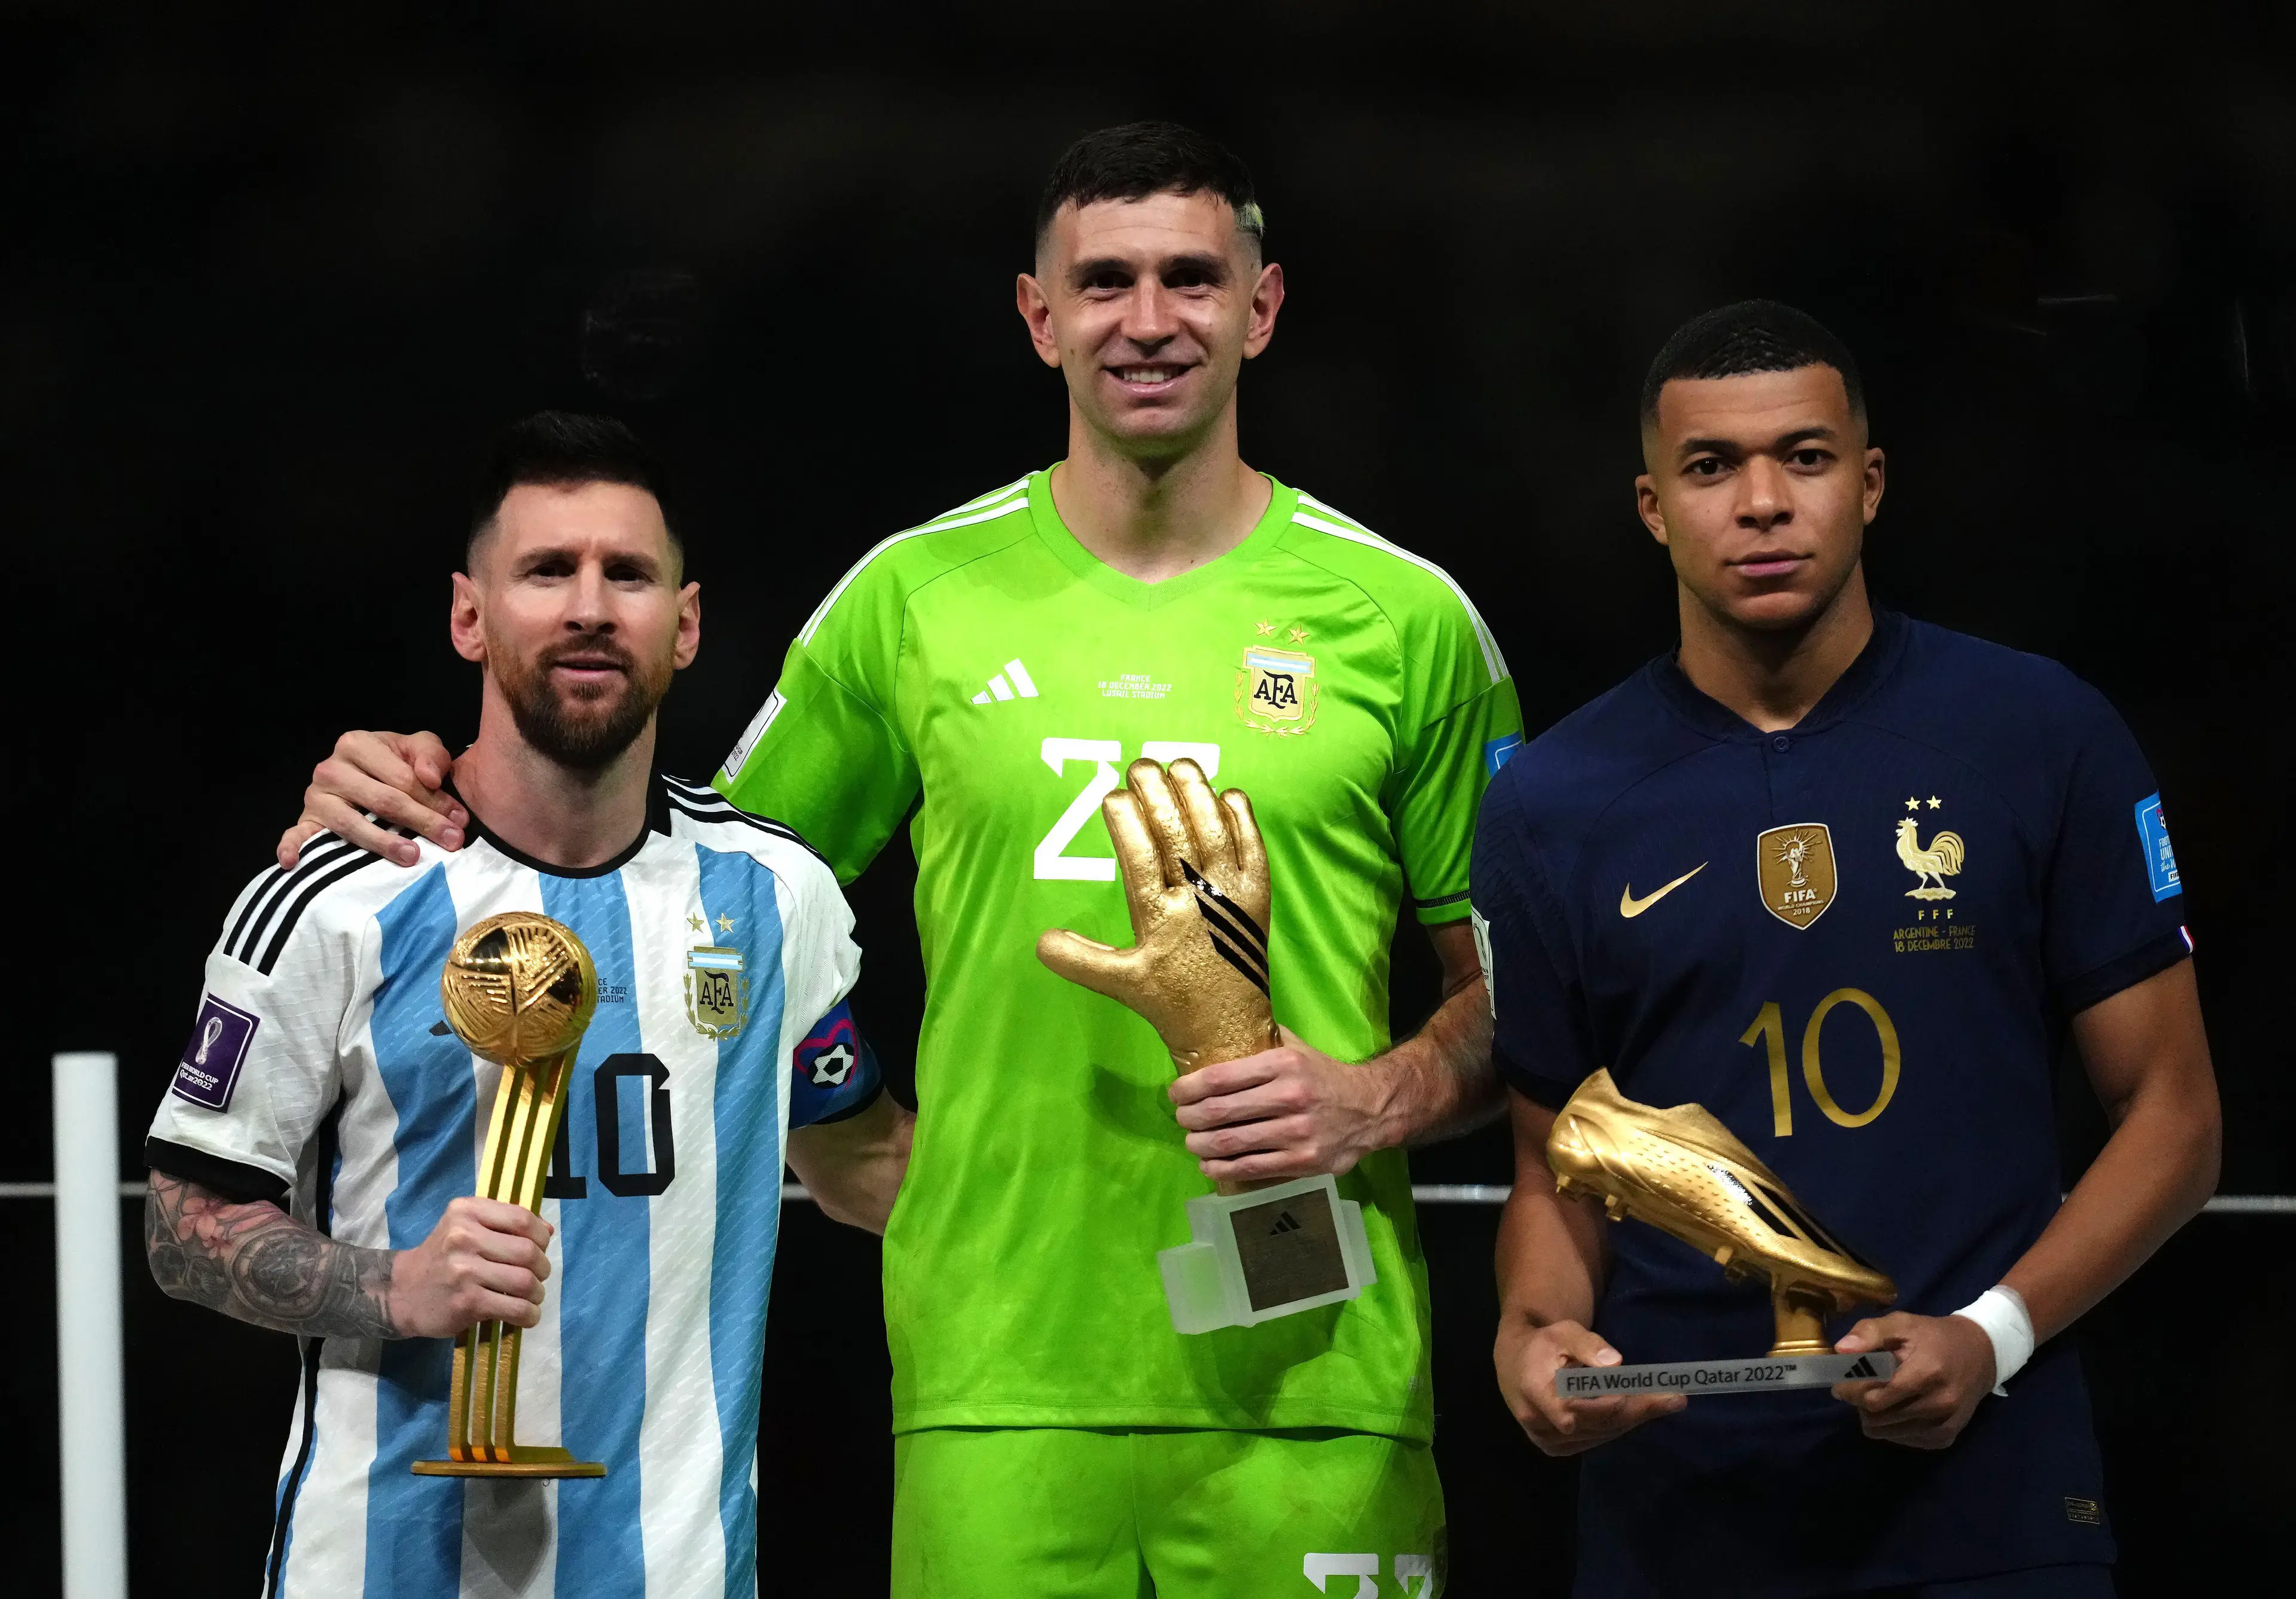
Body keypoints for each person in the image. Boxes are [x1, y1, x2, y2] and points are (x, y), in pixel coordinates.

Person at [277, 124, 1518, 1595]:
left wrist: (1370, 1094)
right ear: (1037, 316)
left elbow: (1524, 996)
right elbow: (692, 894)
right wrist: (427, 798)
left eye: (1191, 277)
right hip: (992, 1387)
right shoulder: (913, 601)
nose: (1148, 318)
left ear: (1261, 305)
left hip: (1323, 1378)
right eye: (1103, 280)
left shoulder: (1406, 619)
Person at [1473, 301, 2221, 1597]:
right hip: (1677, 1511)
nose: (1762, 501)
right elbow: (1555, 1165)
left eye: (1805, 457)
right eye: (1711, 467)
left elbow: (2175, 1115)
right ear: (1652, 506)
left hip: (1989, 1495)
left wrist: (1993, 1335)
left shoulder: (2040, 732)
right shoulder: (1551, 799)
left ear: (1870, 485)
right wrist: (1533, 1336)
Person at [146, 412, 911, 1598]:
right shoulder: (337, 896)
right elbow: (184, 1220)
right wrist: (395, 1284)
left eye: (629, 573)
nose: (592, 606)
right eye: (549, 569)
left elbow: (868, 1155)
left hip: (679, 1571)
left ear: (688, 622)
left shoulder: (776, 899)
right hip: (381, 1566)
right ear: (470, 614)